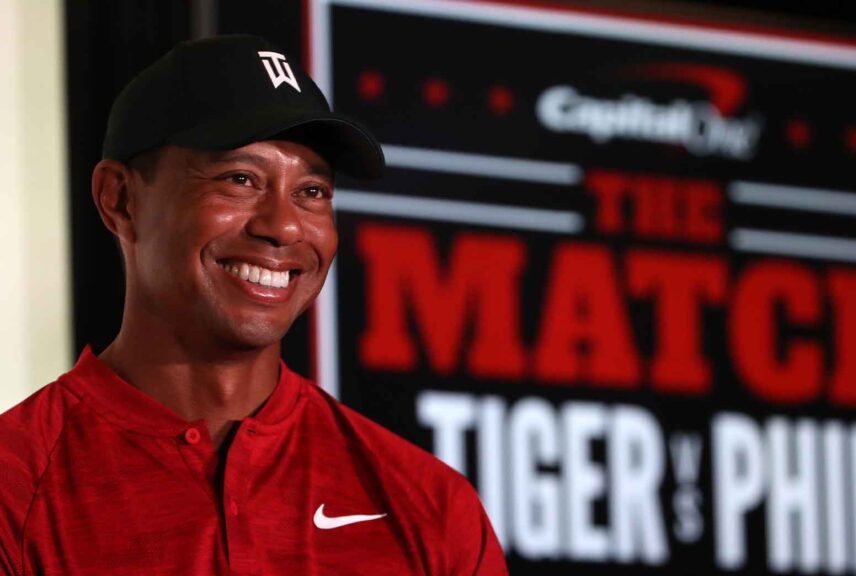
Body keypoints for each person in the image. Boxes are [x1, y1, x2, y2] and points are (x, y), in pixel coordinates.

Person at [0, 35, 507, 575]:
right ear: (119, 199)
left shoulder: (430, 504)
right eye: (238, 180)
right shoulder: (16, 486)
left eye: (312, 191)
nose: (284, 225)